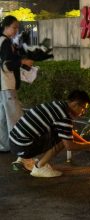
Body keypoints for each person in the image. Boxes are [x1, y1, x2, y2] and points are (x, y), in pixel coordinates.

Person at [9, 90, 90, 178]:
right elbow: (69, 146)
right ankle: (40, 167)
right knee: (61, 139)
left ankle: (22, 159)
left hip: (14, 142)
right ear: (75, 104)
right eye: (83, 109)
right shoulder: (64, 116)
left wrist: (88, 145)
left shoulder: (58, 105)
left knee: (62, 134)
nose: (83, 112)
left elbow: (68, 132)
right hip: (23, 146)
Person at [0, 15, 34, 152]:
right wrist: (23, 62)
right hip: (6, 84)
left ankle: (4, 146)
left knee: (2, 118)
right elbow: (6, 66)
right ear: (6, 26)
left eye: (17, 28)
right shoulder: (5, 42)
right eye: (14, 27)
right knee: (15, 117)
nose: (16, 31)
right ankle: (20, 147)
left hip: (1, 86)